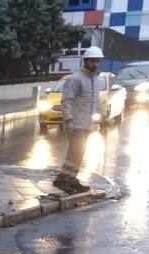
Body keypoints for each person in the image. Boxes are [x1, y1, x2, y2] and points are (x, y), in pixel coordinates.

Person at [54, 46, 104, 194]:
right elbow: (66, 101)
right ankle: (63, 180)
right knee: (74, 152)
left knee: (80, 152)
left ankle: (70, 179)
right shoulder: (76, 78)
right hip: (76, 124)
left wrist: (102, 116)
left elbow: (96, 101)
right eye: (92, 61)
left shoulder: (95, 80)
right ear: (86, 61)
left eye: (97, 61)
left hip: (88, 124)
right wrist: (68, 120)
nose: (95, 64)